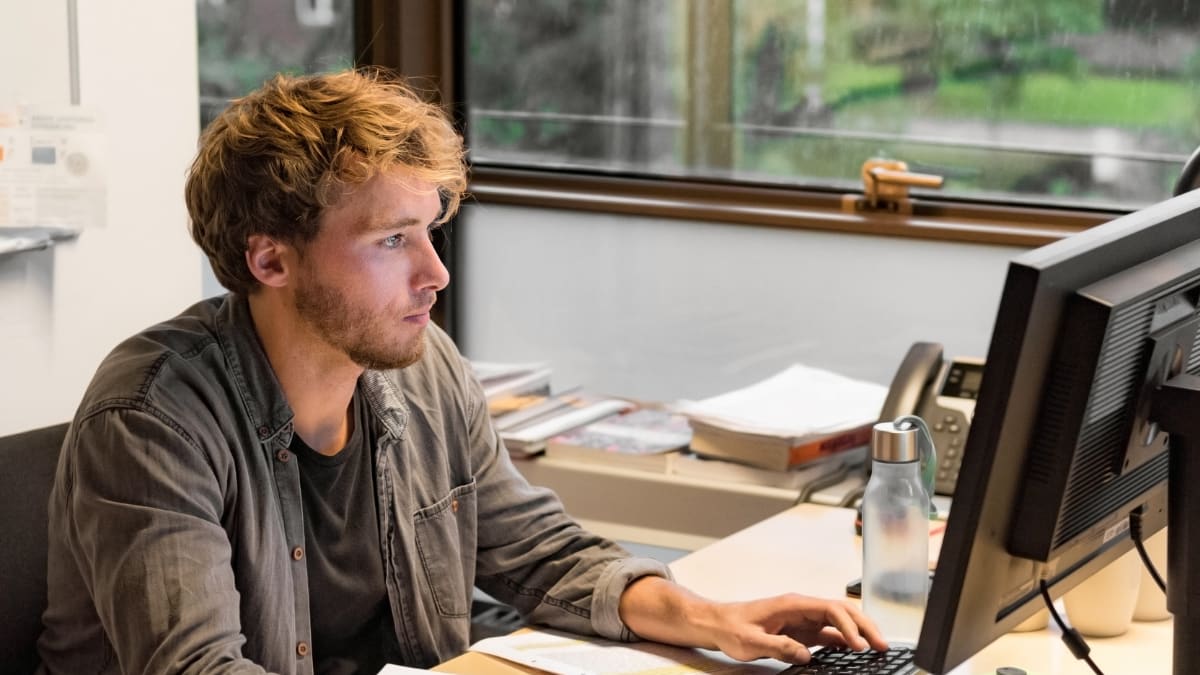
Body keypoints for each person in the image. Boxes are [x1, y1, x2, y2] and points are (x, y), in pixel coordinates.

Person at [37, 69, 885, 675]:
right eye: (393, 239)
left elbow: (538, 554)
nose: (436, 273)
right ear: (271, 259)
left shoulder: (419, 366)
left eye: (431, 230)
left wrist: (711, 618)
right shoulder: (152, 418)